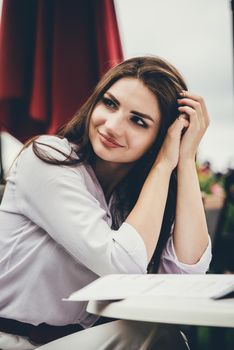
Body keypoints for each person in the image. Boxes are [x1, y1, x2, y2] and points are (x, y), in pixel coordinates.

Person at [0, 56, 212, 349]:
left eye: (138, 121)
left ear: (162, 137)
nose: (112, 126)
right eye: (109, 104)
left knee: (165, 336)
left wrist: (185, 159)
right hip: (12, 339)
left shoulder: (132, 199)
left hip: (75, 341)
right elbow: (121, 264)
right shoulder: (48, 158)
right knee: (154, 337)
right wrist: (164, 163)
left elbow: (183, 279)